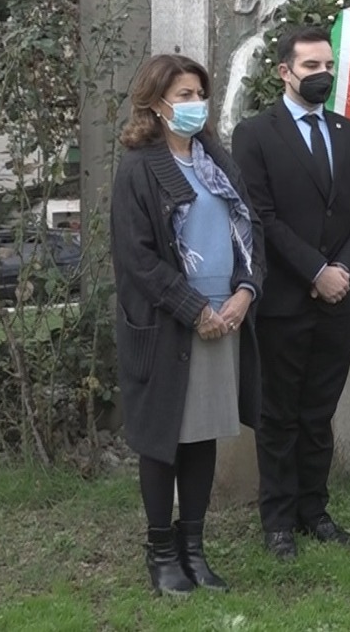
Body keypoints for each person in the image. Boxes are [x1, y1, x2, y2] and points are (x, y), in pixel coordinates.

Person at [110, 54, 262, 596]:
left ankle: (194, 550)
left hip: (226, 319)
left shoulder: (216, 160)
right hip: (173, 324)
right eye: (183, 95)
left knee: (203, 439)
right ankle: (161, 554)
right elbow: (137, 258)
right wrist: (193, 309)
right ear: (154, 104)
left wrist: (246, 292)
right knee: (164, 441)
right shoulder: (138, 168)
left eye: (200, 93)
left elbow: (250, 228)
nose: (195, 104)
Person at [232, 24, 350, 560]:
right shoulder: (255, 134)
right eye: (310, 67)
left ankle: (313, 512)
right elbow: (261, 216)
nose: (321, 75)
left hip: (340, 299)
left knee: (319, 413)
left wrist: (341, 268)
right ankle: (277, 520)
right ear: (284, 71)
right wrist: (315, 270)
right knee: (280, 416)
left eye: (327, 66)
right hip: (284, 301)